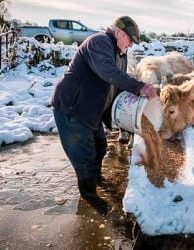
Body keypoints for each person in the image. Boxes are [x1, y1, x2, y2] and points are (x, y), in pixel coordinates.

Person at [50, 16, 157, 202]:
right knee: (85, 156)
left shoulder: (120, 53)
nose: (131, 45)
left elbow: (118, 84)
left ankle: (95, 180)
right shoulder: (99, 42)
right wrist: (140, 86)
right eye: (130, 40)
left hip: (92, 111)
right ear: (119, 33)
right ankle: (89, 197)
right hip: (73, 108)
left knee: (100, 146)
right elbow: (108, 72)